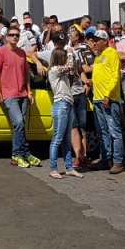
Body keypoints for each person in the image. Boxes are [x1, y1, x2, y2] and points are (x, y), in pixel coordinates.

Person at [0, 24, 40, 168]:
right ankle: (16, 154)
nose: (14, 37)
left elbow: (26, 74)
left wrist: (29, 91)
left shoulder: (22, 53)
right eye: (12, 35)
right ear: (6, 37)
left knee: (20, 126)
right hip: (9, 94)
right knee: (19, 123)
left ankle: (25, 153)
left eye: (17, 35)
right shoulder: (0, 52)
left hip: (23, 94)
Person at [88, 30, 125, 174]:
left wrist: (108, 94)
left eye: (97, 40)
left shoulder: (112, 53)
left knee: (114, 131)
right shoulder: (99, 56)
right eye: (94, 40)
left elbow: (115, 75)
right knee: (102, 132)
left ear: (105, 40)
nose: (95, 43)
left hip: (108, 99)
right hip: (97, 98)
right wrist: (91, 82)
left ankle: (118, 161)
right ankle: (105, 159)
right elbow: (100, 75)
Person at [47, 47, 83, 179]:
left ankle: (69, 168)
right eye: (64, 57)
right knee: (57, 138)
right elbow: (69, 66)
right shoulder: (54, 70)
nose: (66, 59)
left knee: (66, 139)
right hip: (60, 104)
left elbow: (72, 69)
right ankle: (53, 168)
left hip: (68, 104)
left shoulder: (62, 72)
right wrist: (70, 52)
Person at [65, 26, 91, 171]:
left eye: (72, 33)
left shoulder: (81, 49)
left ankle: (83, 156)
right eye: (69, 33)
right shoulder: (65, 50)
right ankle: (77, 156)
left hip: (79, 92)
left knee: (82, 126)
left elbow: (83, 69)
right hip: (69, 94)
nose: (70, 35)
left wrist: (86, 82)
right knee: (74, 126)